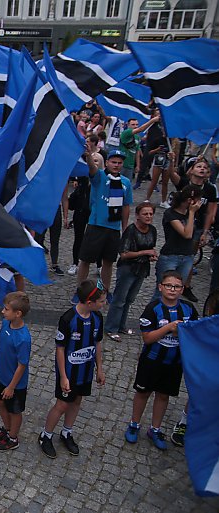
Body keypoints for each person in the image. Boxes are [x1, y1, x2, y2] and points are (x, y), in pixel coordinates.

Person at [124, 271, 197, 450]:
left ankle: (155, 429)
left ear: (182, 289)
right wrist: (168, 328)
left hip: (174, 363)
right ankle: (134, 424)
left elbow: (194, 335)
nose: (172, 289)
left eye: (177, 286)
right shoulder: (153, 308)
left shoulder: (188, 309)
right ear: (160, 287)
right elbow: (148, 338)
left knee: (163, 395)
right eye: (169, 286)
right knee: (143, 393)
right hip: (151, 360)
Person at [39, 280, 106, 458]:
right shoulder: (68, 319)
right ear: (89, 303)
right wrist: (63, 376)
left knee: (77, 401)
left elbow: (97, 343)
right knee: (62, 404)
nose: (104, 304)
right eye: (101, 301)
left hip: (85, 371)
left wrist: (99, 368)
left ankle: (67, 432)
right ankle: (45, 435)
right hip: (69, 372)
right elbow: (60, 348)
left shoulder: (97, 318)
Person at [74, 147, 134, 296]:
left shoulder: (126, 182)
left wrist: (124, 227)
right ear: (107, 162)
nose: (116, 165)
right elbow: (92, 169)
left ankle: (105, 290)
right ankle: (80, 290)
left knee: (108, 262)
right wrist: (88, 156)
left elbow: (126, 206)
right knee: (86, 260)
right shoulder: (100, 177)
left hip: (113, 228)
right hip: (96, 225)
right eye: (113, 162)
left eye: (119, 163)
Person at [0, 291, 31, 452]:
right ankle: (7, 428)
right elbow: (3, 347)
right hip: (2, 376)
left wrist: (12, 386)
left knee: (14, 410)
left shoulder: (23, 339)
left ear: (17, 314)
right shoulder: (6, 324)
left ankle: (13, 437)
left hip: (15, 384)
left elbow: (22, 365)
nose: (3, 311)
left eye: (6, 309)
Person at [168, 156, 217, 302]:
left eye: (205, 168)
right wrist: (172, 162)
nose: (202, 169)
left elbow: (210, 212)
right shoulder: (184, 183)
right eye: (199, 166)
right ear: (192, 170)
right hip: (179, 223)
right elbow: (171, 175)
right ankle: (169, 281)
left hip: (197, 227)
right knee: (174, 252)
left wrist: (206, 231)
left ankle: (185, 286)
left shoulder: (210, 189)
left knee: (190, 256)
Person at [106, 203, 157, 340]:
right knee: (119, 299)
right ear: (138, 216)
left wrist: (151, 255)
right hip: (127, 269)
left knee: (129, 300)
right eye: (145, 214)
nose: (148, 216)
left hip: (142, 269)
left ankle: (121, 326)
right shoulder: (131, 230)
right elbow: (123, 254)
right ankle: (111, 328)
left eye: (151, 214)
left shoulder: (152, 230)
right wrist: (144, 252)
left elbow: (150, 247)